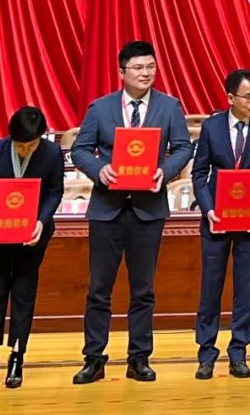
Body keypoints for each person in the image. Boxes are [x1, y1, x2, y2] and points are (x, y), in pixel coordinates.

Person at [70, 41, 193, 384]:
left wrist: (165, 172)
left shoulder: (169, 107)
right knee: (99, 288)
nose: (145, 73)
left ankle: (139, 358)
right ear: (122, 72)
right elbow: (80, 150)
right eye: (138, 68)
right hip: (107, 209)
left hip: (148, 209)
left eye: (151, 67)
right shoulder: (101, 108)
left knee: (143, 289)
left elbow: (183, 148)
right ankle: (94, 358)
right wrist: (100, 170)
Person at [192, 69, 250, 379]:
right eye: (249, 96)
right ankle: (206, 353)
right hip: (217, 218)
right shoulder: (212, 126)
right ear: (230, 98)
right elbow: (199, 173)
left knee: (245, 288)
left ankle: (239, 352)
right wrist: (207, 209)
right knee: (211, 288)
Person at [0, 106, 65, 389]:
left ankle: (17, 356)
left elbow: (55, 192)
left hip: (32, 235)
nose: (26, 150)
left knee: (24, 293)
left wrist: (41, 220)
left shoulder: (52, 153)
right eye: (20, 146)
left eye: (31, 145)